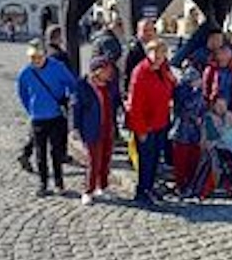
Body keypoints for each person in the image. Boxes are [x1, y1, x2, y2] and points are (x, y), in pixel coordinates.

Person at [16, 39, 77, 197]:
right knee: (40, 153)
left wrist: (69, 99)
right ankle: (43, 183)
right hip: (38, 118)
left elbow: (72, 84)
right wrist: (31, 109)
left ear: (45, 55)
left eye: (39, 57)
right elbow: (22, 93)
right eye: (33, 57)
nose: (36, 60)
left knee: (56, 152)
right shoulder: (26, 73)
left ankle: (59, 183)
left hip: (56, 116)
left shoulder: (58, 67)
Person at [127, 39, 176, 207]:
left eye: (161, 53)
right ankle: (142, 191)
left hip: (160, 122)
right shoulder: (140, 72)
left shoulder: (163, 70)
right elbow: (135, 105)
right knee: (145, 160)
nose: (158, 56)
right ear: (148, 53)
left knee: (155, 158)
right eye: (154, 52)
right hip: (146, 125)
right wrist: (140, 129)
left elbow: (170, 87)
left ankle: (150, 188)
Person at [73, 56, 121, 206]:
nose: (110, 73)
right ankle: (88, 190)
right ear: (97, 71)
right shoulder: (83, 86)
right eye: (107, 70)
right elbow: (76, 108)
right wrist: (75, 128)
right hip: (92, 129)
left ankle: (103, 186)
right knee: (94, 161)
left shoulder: (111, 85)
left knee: (106, 159)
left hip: (108, 127)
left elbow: (117, 101)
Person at [169, 67, 206, 195]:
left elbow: (202, 108)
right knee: (181, 161)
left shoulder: (199, 91)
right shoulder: (181, 90)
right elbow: (185, 107)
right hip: (182, 129)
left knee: (193, 159)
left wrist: (200, 117)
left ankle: (191, 185)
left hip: (195, 131)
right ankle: (181, 186)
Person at [203, 46, 232, 114]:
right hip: (214, 102)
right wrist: (209, 103)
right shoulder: (211, 69)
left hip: (230, 104)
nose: (223, 57)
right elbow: (206, 87)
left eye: (226, 55)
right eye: (221, 54)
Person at [124, 18, 157, 92]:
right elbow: (128, 73)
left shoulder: (158, 47)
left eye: (151, 30)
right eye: (145, 31)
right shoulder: (132, 50)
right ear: (138, 32)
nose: (149, 33)